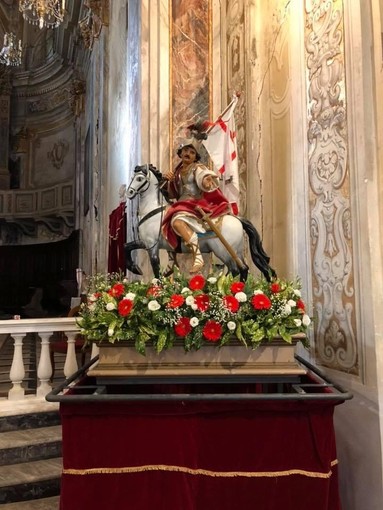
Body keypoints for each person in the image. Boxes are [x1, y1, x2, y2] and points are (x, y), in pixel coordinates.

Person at [161, 140, 232, 273]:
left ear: (195, 157)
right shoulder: (177, 172)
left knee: (177, 222)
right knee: (164, 220)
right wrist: (169, 182)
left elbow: (204, 177)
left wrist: (206, 181)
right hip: (181, 203)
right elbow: (172, 194)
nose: (188, 153)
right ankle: (172, 259)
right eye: (186, 151)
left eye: (192, 152)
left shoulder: (197, 167)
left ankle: (198, 256)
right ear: (180, 153)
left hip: (194, 203)